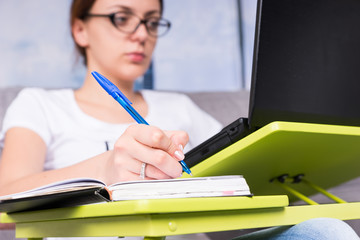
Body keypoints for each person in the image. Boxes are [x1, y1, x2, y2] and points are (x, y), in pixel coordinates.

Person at [0, 0, 358, 240]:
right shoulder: (39, 104)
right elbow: (6, 192)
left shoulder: (180, 107)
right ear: (80, 29)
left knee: (328, 230)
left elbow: (241, 182)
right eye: (121, 17)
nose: (141, 33)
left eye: (152, 21)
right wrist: (106, 168)